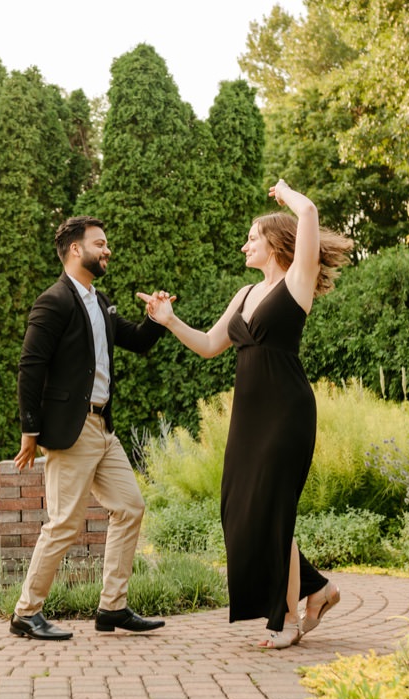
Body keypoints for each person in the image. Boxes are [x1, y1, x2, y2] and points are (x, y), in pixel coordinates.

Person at [142, 181, 353, 648]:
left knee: (274, 512)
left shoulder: (297, 282)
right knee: (241, 510)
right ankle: (319, 588)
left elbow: (311, 213)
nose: (245, 244)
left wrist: (286, 193)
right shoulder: (242, 294)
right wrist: (169, 321)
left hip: (286, 412)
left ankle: (286, 622)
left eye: (252, 237)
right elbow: (211, 346)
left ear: (276, 242)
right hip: (249, 418)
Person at [8, 215, 170, 641]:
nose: (107, 249)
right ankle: (26, 613)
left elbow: (135, 340)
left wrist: (158, 318)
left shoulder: (100, 302)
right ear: (76, 250)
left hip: (103, 428)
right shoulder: (53, 301)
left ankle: (112, 608)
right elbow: (30, 367)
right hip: (70, 430)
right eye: (100, 243)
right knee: (63, 523)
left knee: (130, 507)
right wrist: (30, 430)